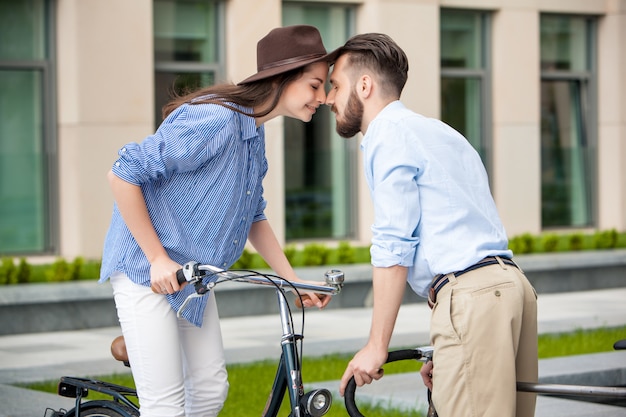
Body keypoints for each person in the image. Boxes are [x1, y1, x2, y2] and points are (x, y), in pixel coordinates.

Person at [99, 25, 334, 417]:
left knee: (210, 392)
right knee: (166, 408)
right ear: (282, 79)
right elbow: (122, 174)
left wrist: (293, 280)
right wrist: (157, 258)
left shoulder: (254, 135)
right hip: (148, 271)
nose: (323, 98)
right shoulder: (216, 120)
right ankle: (144, 337)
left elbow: (254, 215)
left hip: (193, 280)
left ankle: (144, 342)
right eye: (315, 85)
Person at [325, 33, 538, 417]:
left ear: (365, 85)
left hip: (473, 300)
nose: (328, 98)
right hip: (513, 289)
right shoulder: (443, 133)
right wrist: (451, 346)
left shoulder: (387, 135)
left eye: (335, 86)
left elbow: (393, 244)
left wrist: (377, 345)